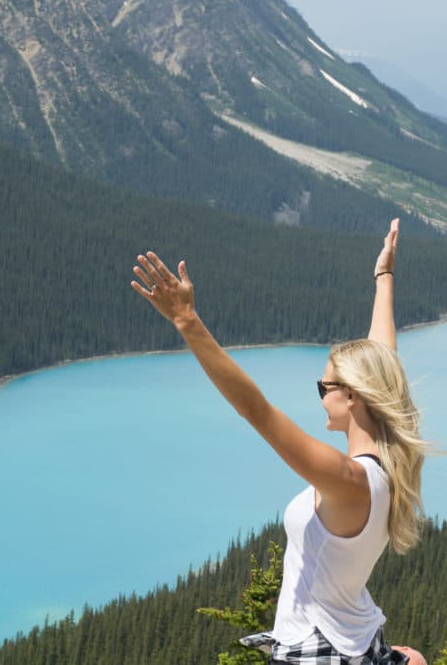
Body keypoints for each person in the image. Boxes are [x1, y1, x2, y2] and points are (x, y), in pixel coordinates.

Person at [130, 219, 428, 665]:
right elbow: (382, 361)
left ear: (354, 398)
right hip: (357, 639)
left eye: (325, 388)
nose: (321, 397)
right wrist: (383, 277)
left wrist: (187, 321)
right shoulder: (387, 462)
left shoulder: (347, 479)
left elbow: (256, 409)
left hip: (316, 653)